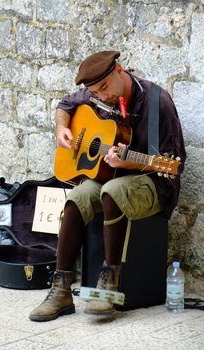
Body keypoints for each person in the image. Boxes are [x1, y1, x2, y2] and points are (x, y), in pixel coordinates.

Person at [29, 50, 186, 322]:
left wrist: (128, 164)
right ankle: (61, 289)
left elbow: (174, 164)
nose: (101, 96)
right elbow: (66, 104)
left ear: (119, 70)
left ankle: (108, 286)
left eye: (104, 88)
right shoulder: (95, 94)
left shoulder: (156, 102)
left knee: (111, 192)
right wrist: (61, 129)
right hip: (112, 175)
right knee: (75, 199)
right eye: (95, 92)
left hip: (154, 182)